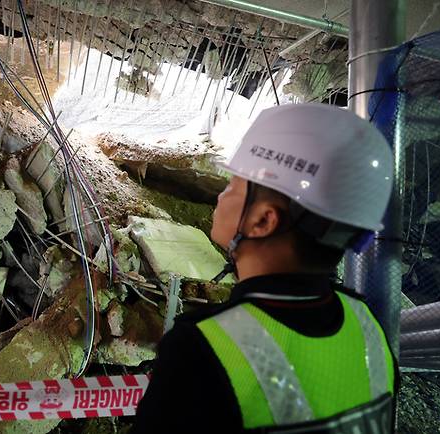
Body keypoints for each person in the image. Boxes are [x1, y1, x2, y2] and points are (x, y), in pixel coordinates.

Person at [131, 103, 399, 434]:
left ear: (262, 220)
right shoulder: (367, 325)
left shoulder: (203, 347)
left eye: (233, 185)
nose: (222, 196)